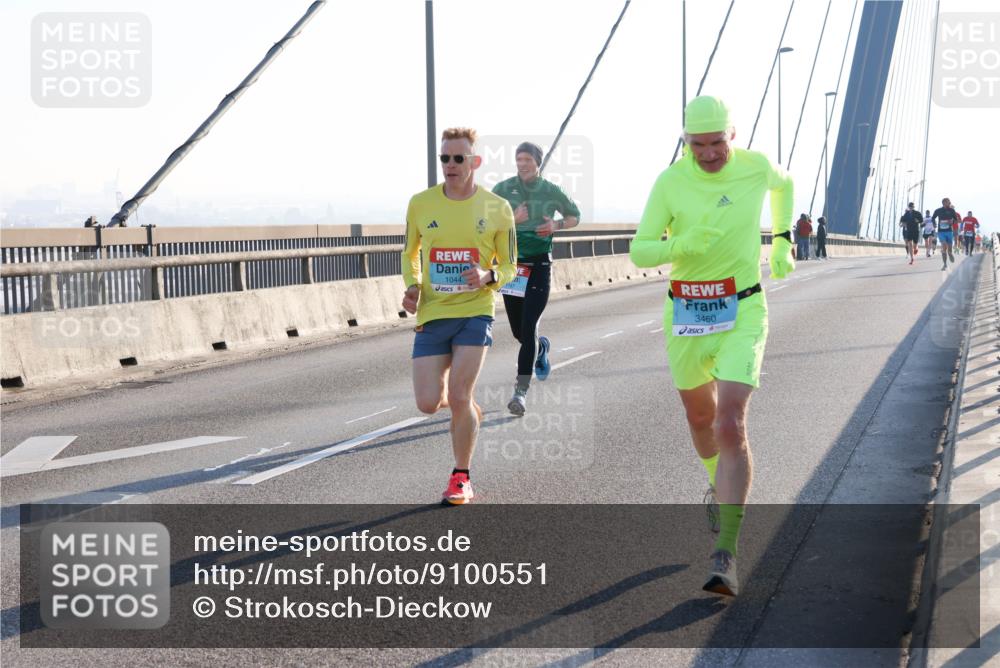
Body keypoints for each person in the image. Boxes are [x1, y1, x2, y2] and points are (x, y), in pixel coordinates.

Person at [629, 95, 794, 597]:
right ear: (685, 142)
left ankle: (726, 550)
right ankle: (717, 485)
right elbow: (640, 250)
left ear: (733, 134)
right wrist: (679, 246)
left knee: (729, 421)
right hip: (686, 312)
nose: (707, 154)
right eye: (696, 145)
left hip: (742, 308)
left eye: (715, 143)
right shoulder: (671, 181)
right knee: (700, 421)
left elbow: (783, 186)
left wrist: (782, 239)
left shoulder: (755, 167)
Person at [402, 127, 517, 505]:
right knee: (427, 402)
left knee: (459, 391)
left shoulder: (497, 208)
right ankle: (467, 409)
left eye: (458, 158)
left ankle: (461, 477)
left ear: (475, 162)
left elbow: (512, 266)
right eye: (444, 159)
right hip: (434, 312)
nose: (450, 165)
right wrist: (413, 285)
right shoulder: (421, 203)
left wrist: (489, 276)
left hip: (475, 311)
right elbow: (410, 252)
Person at [492, 142, 580, 416]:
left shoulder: (551, 190)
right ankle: (542, 348)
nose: (522, 164)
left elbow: (575, 216)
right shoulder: (503, 189)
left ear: (538, 162)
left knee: (528, 327)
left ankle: (520, 393)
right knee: (519, 332)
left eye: (528, 159)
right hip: (512, 269)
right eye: (519, 159)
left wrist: (556, 225)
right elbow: (484, 222)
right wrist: (511, 219)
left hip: (540, 266)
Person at [932, 197, 959, 270]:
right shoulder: (938, 210)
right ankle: (944, 264)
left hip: (949, 231)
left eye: (949, 201)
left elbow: (956, 220)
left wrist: (952, 222)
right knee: (944, 247)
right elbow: (933, 218)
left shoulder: (952, 210)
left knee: (949, 250)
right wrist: (934, 223)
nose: (950, 203)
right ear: (944, 203)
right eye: (948, 202)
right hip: (941, 232)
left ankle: (950, 254)